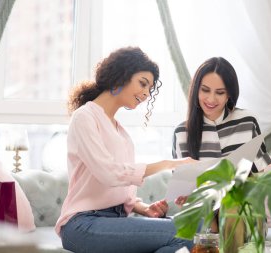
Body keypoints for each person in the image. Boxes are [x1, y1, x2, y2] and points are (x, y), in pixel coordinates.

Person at [55, 47, 195, 253]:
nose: (147, 94)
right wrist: (169, 164)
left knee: (192, 229)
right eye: (143, 83)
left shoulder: (120, 132)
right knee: (185, 230)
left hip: (115, 221)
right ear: (121, 75)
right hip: (83, 225)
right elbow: (109, 174)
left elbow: (123, 192)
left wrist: (144, 208)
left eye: (150, 88)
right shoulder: (85, 117)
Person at [172, 57, 271, 251]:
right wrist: (185, 196)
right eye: (205, 90)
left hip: (243, 209)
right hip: (204, 212)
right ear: (196, 90)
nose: (211, 99)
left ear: (229, 95)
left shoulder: (247, 121)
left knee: (234, 205)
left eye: (220, 93)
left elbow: (259, 173)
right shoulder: (182, 132)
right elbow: (184, 187)